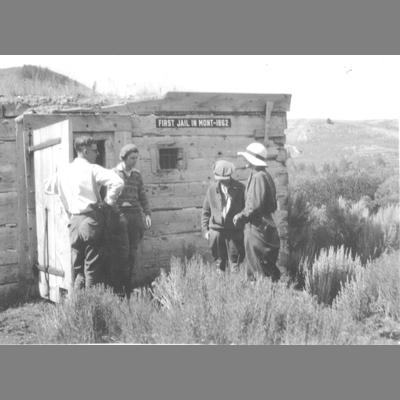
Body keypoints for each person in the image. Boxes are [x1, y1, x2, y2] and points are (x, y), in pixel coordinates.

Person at [44, 136, 124, 290]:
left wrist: (65, 200)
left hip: (74, 223)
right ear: (85, 151)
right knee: (93, 268)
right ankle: (91, 307)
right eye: (95, 150)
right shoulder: (92, 169)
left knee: (78, 268)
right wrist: (108, 203)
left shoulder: (63, 171)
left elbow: (47, 186)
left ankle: (78, 306)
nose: (98, 154)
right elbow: (118, 182)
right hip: (91, 220)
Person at [233, 142, 281, 281]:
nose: (244, 161)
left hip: (258, 228)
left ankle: (262, 297)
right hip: (262, 227)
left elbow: (254, 206)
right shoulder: (261, 175)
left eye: (247, 158)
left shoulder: (258, 177)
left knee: (258, 269)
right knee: (262, 267)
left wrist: (240, 216)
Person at [112, 144, 152, 298]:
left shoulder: (137, 175)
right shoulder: (114, 173)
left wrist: (147, 213)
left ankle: (127, 287)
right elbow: (109, 197)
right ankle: (118, 288)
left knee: (132, 253)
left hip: (135, 216)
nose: (134, 161)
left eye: (136, 158)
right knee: (121, 252)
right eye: (132, 158)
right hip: (120, 217)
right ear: (124, 157)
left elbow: (142, 196)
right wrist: (118, 209)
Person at [201, 160, 245, 272]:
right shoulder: (211, 189)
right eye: (220, 180)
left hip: (234, 231)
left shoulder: (240, 188)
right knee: (219, 262)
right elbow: (206, 211)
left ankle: (236, 286)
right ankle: (221, 285)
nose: (223, 182)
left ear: (230, 176)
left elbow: (246, 208)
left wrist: (240, 219)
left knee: (236, 262)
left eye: (225, 180)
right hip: (216, 231)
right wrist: (205, 230)